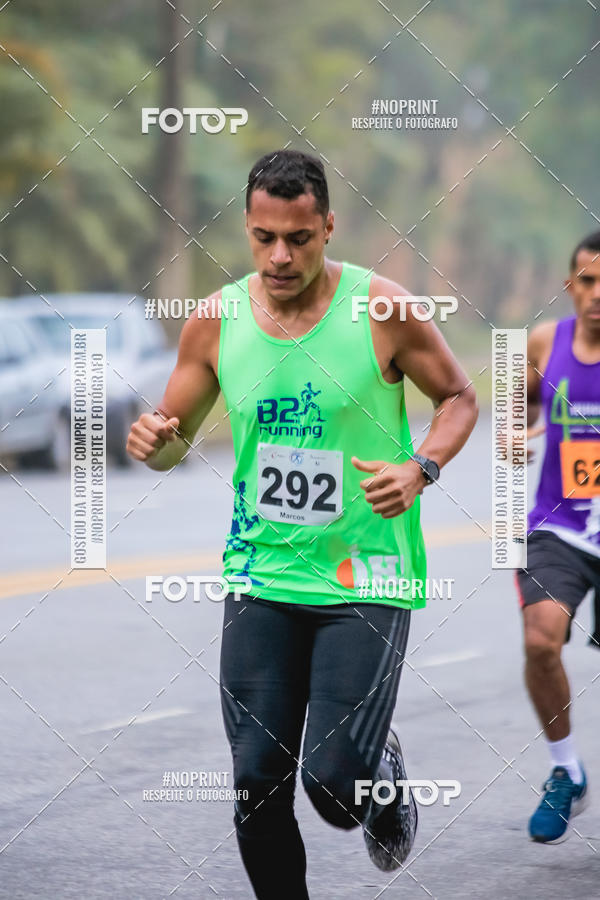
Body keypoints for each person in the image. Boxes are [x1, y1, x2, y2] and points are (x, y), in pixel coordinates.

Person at [126, 149, 478, 897]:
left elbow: (458, 398)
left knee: (332, 787)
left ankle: (376, 769)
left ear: (327, 227)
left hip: (365, 581)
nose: (279, 256)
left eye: (298, 238)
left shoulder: (380, 310)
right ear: (248, 230)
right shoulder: (216, 321)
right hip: (262, 576)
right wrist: (156, 443)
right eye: (263, 238)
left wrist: (421, 469)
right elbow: (175, 434)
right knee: (257, 783)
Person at [517, 229, 600, 844]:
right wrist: (512, 437)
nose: (597, 295)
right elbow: (509, 403)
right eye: (588, 281)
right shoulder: (545, 342)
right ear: (571, 285)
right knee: (541, 641)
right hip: (559, 527)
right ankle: (566, 771)